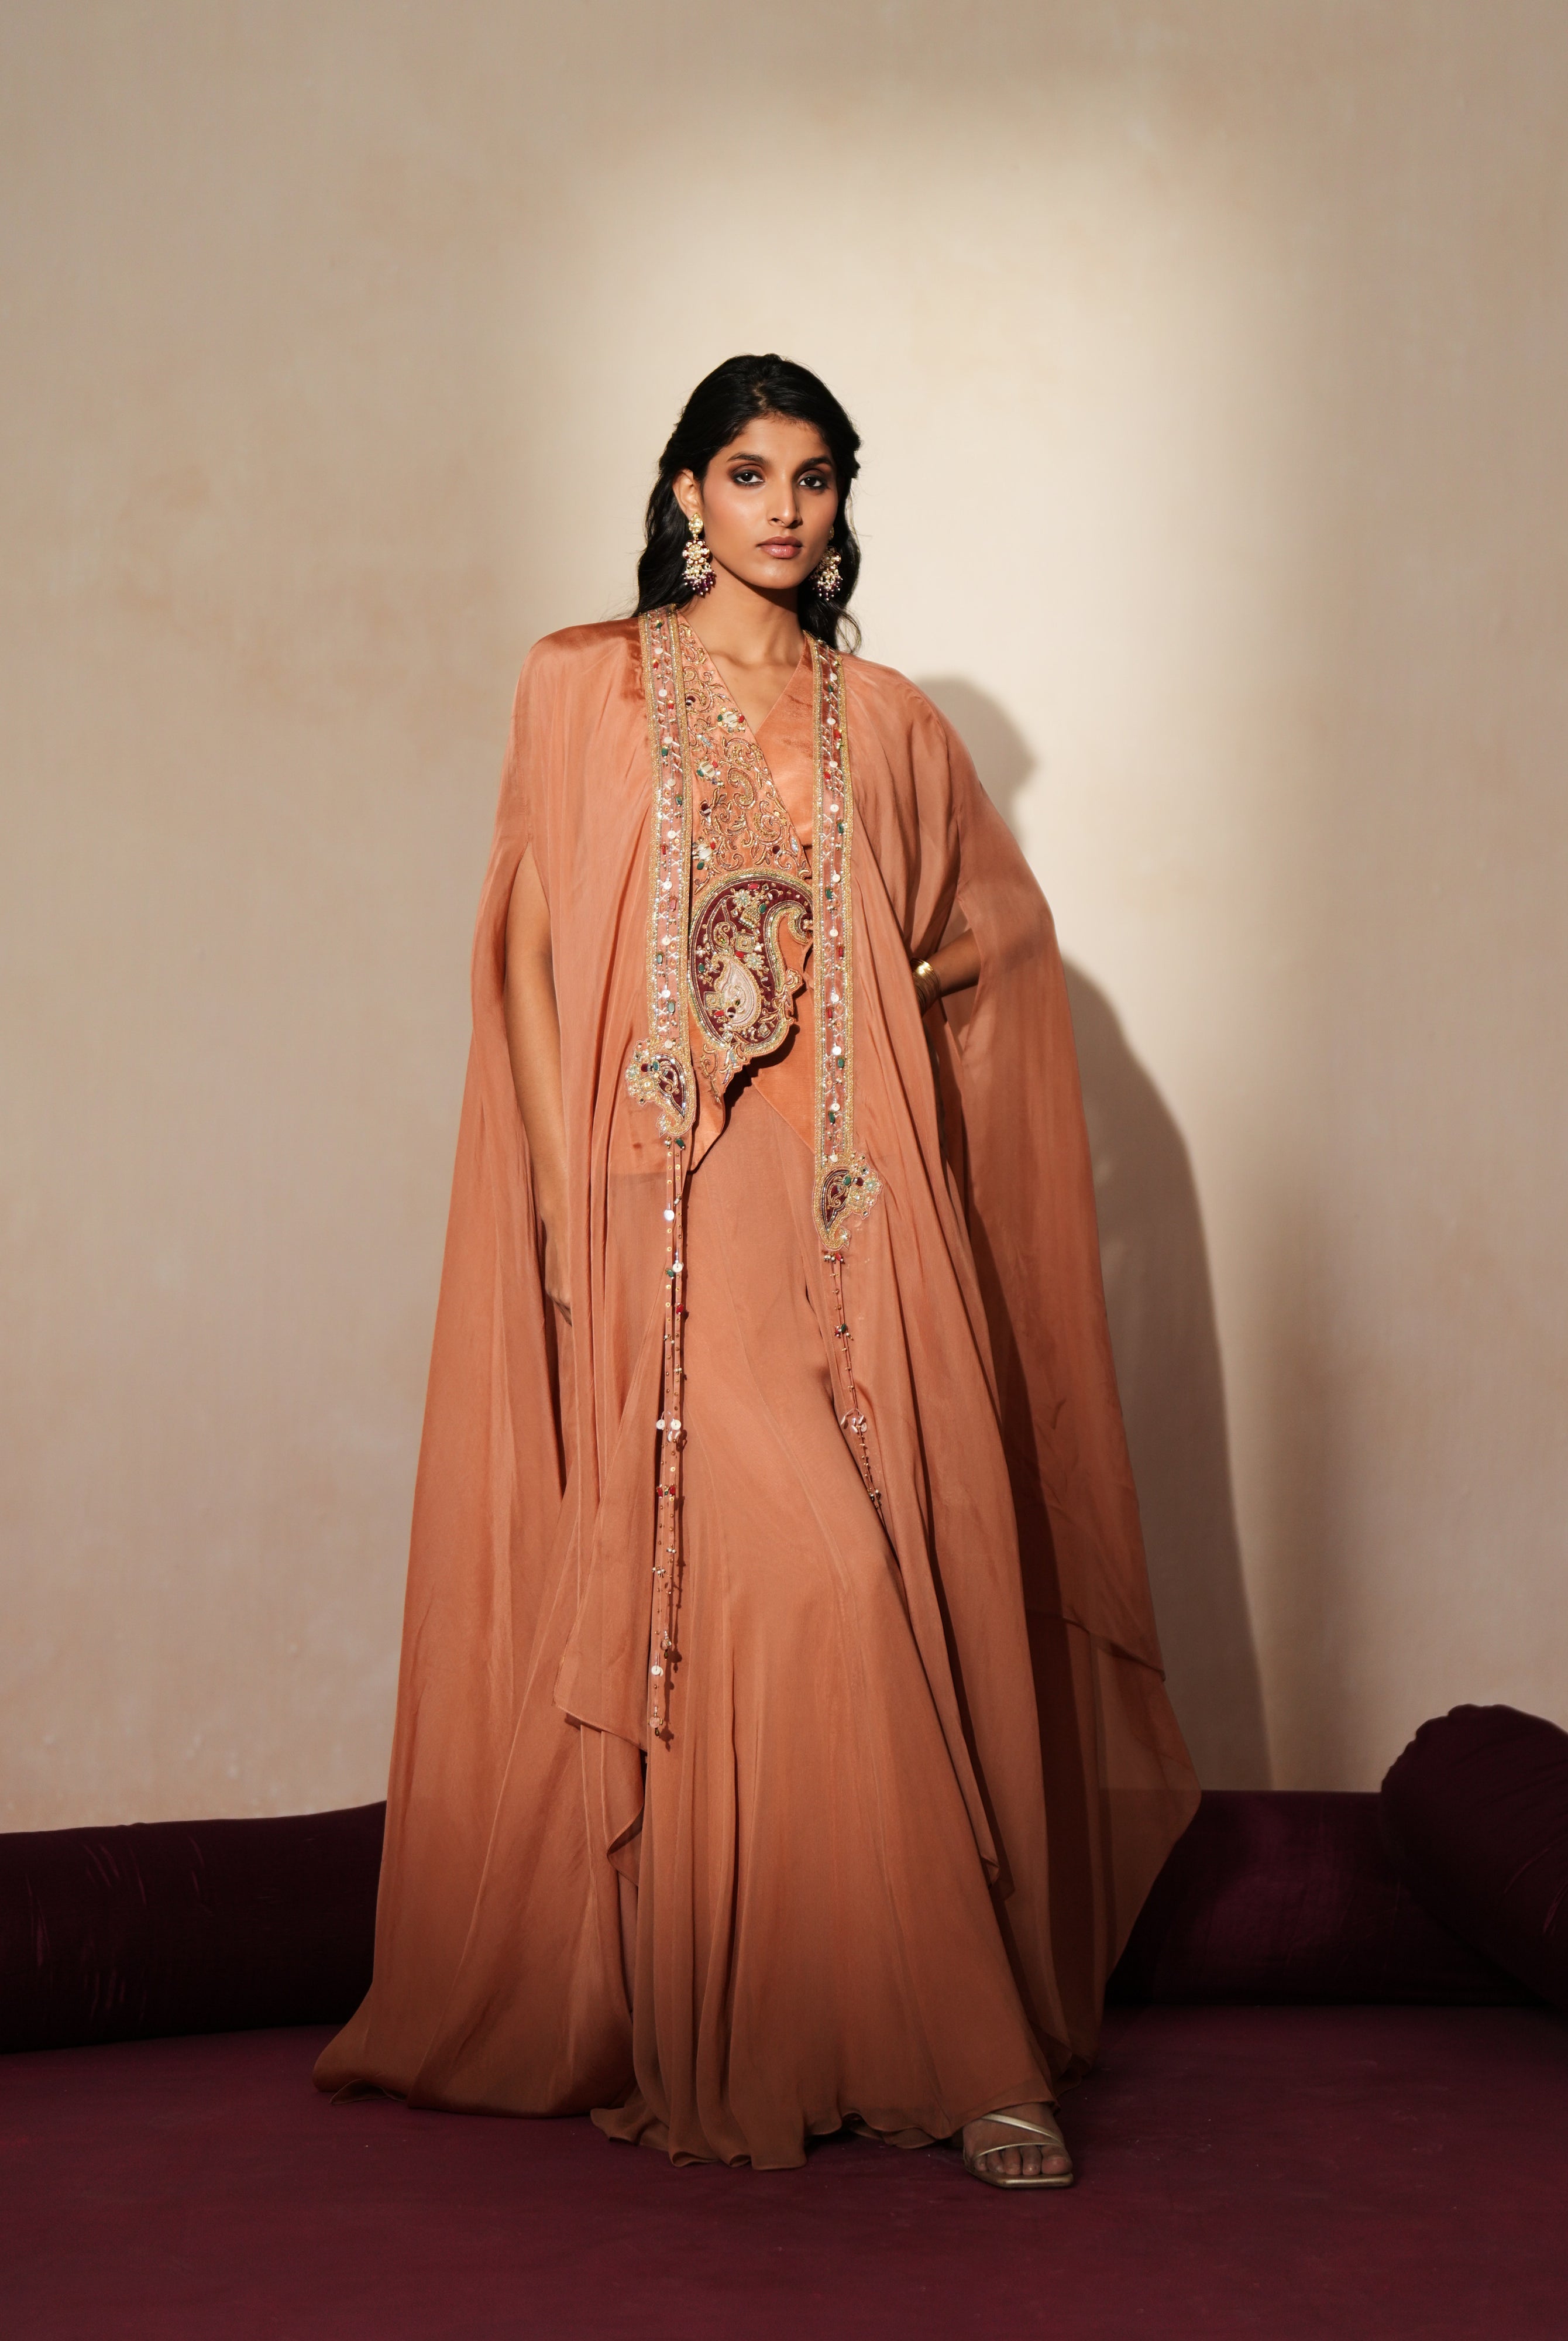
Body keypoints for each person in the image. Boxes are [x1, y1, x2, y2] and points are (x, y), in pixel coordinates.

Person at [315, 354, 1198, 2188]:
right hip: (669, 1207)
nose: (783, 508)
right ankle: (937, 2053)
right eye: (746, 472)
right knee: (797, 1571)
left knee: (868, 1566)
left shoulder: (878, 718)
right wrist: (567, 1215)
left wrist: (884, 995)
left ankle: (924, 2035)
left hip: (858, 1209)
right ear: (682, 493)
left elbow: (995, 948)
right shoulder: (582, 684)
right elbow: (539, 956)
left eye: (813, 476)